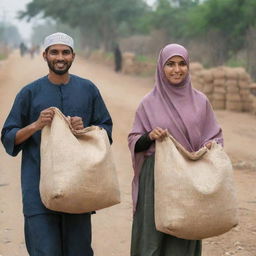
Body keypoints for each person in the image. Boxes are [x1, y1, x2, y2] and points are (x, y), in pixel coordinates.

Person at [1, 32, 112, 256]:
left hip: (78, 189)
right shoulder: (29, 93)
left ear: (73, 56)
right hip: (38, 190)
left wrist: (85, 130)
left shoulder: (88, 89)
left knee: (78, 251)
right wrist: (36, 125)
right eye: (54, 52)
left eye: (65, 52)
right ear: (45, 55)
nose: (60, 57)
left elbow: (106, 130)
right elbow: (8, 136)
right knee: (45, 250)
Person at [128, 43, 223, 256]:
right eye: (170, 64)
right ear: (161, 67)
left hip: (189, 176)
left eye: (182, 64)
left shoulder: (201, 102)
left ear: (188, 66)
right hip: (156, 177)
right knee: (151, 238)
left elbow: (214, 136)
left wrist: (210, 146)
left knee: (184, 234)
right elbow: (134, 139)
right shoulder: (148, 103)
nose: (177, 69)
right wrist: (149, 136)